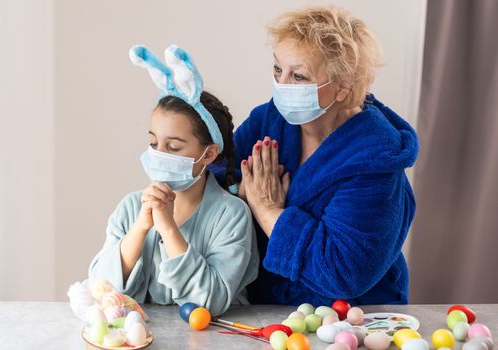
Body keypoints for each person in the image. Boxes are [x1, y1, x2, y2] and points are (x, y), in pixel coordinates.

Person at [212, 6, 418, 306]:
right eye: (277, 69)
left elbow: (344, 271)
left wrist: (269, 213)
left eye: (299, 76)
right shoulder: (270, 121)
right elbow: (210, 184)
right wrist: (241, 194)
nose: (282, 85)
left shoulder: (375, 158)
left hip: (356, 318)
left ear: (343, 85)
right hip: (265, 310)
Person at [89, 45, 258, 316]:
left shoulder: (232, 215)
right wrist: (140, 228)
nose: (159, 155)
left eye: (174, 147)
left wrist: (168, 229)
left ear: (209, 154)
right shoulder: (131, 208)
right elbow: (100, 291)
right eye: (154, 143)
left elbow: (210, 302)